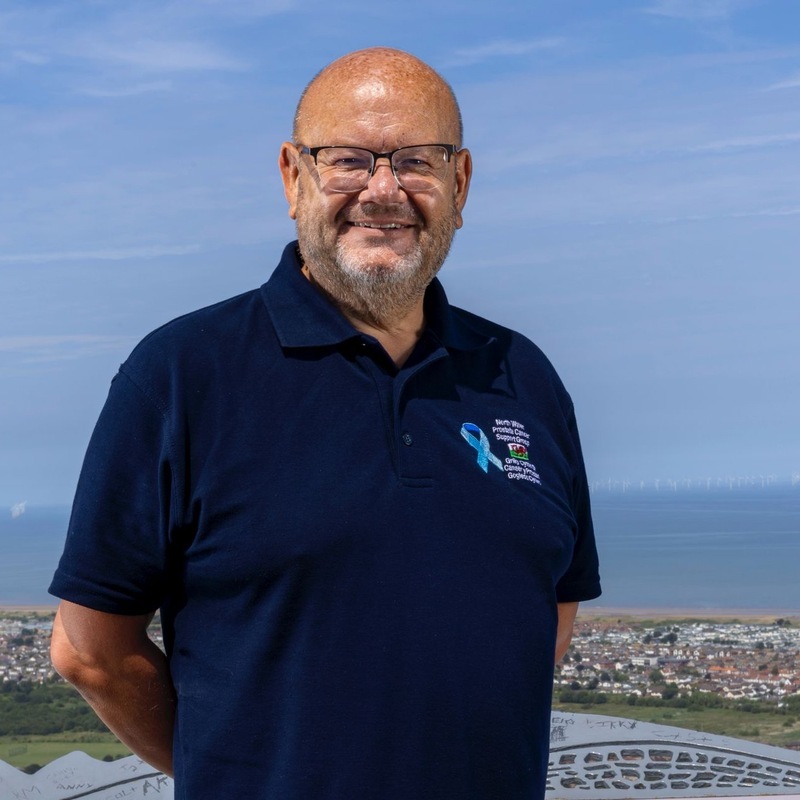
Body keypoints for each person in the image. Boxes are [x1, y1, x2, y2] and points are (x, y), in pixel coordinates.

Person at [49, 47, 601, 800]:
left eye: (417, 161)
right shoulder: (183, 373)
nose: (383, 190)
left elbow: (549, 614)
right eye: (347, 160)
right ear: (292, 176)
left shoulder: (522, 375)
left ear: (460, 183)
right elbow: (90, 652)